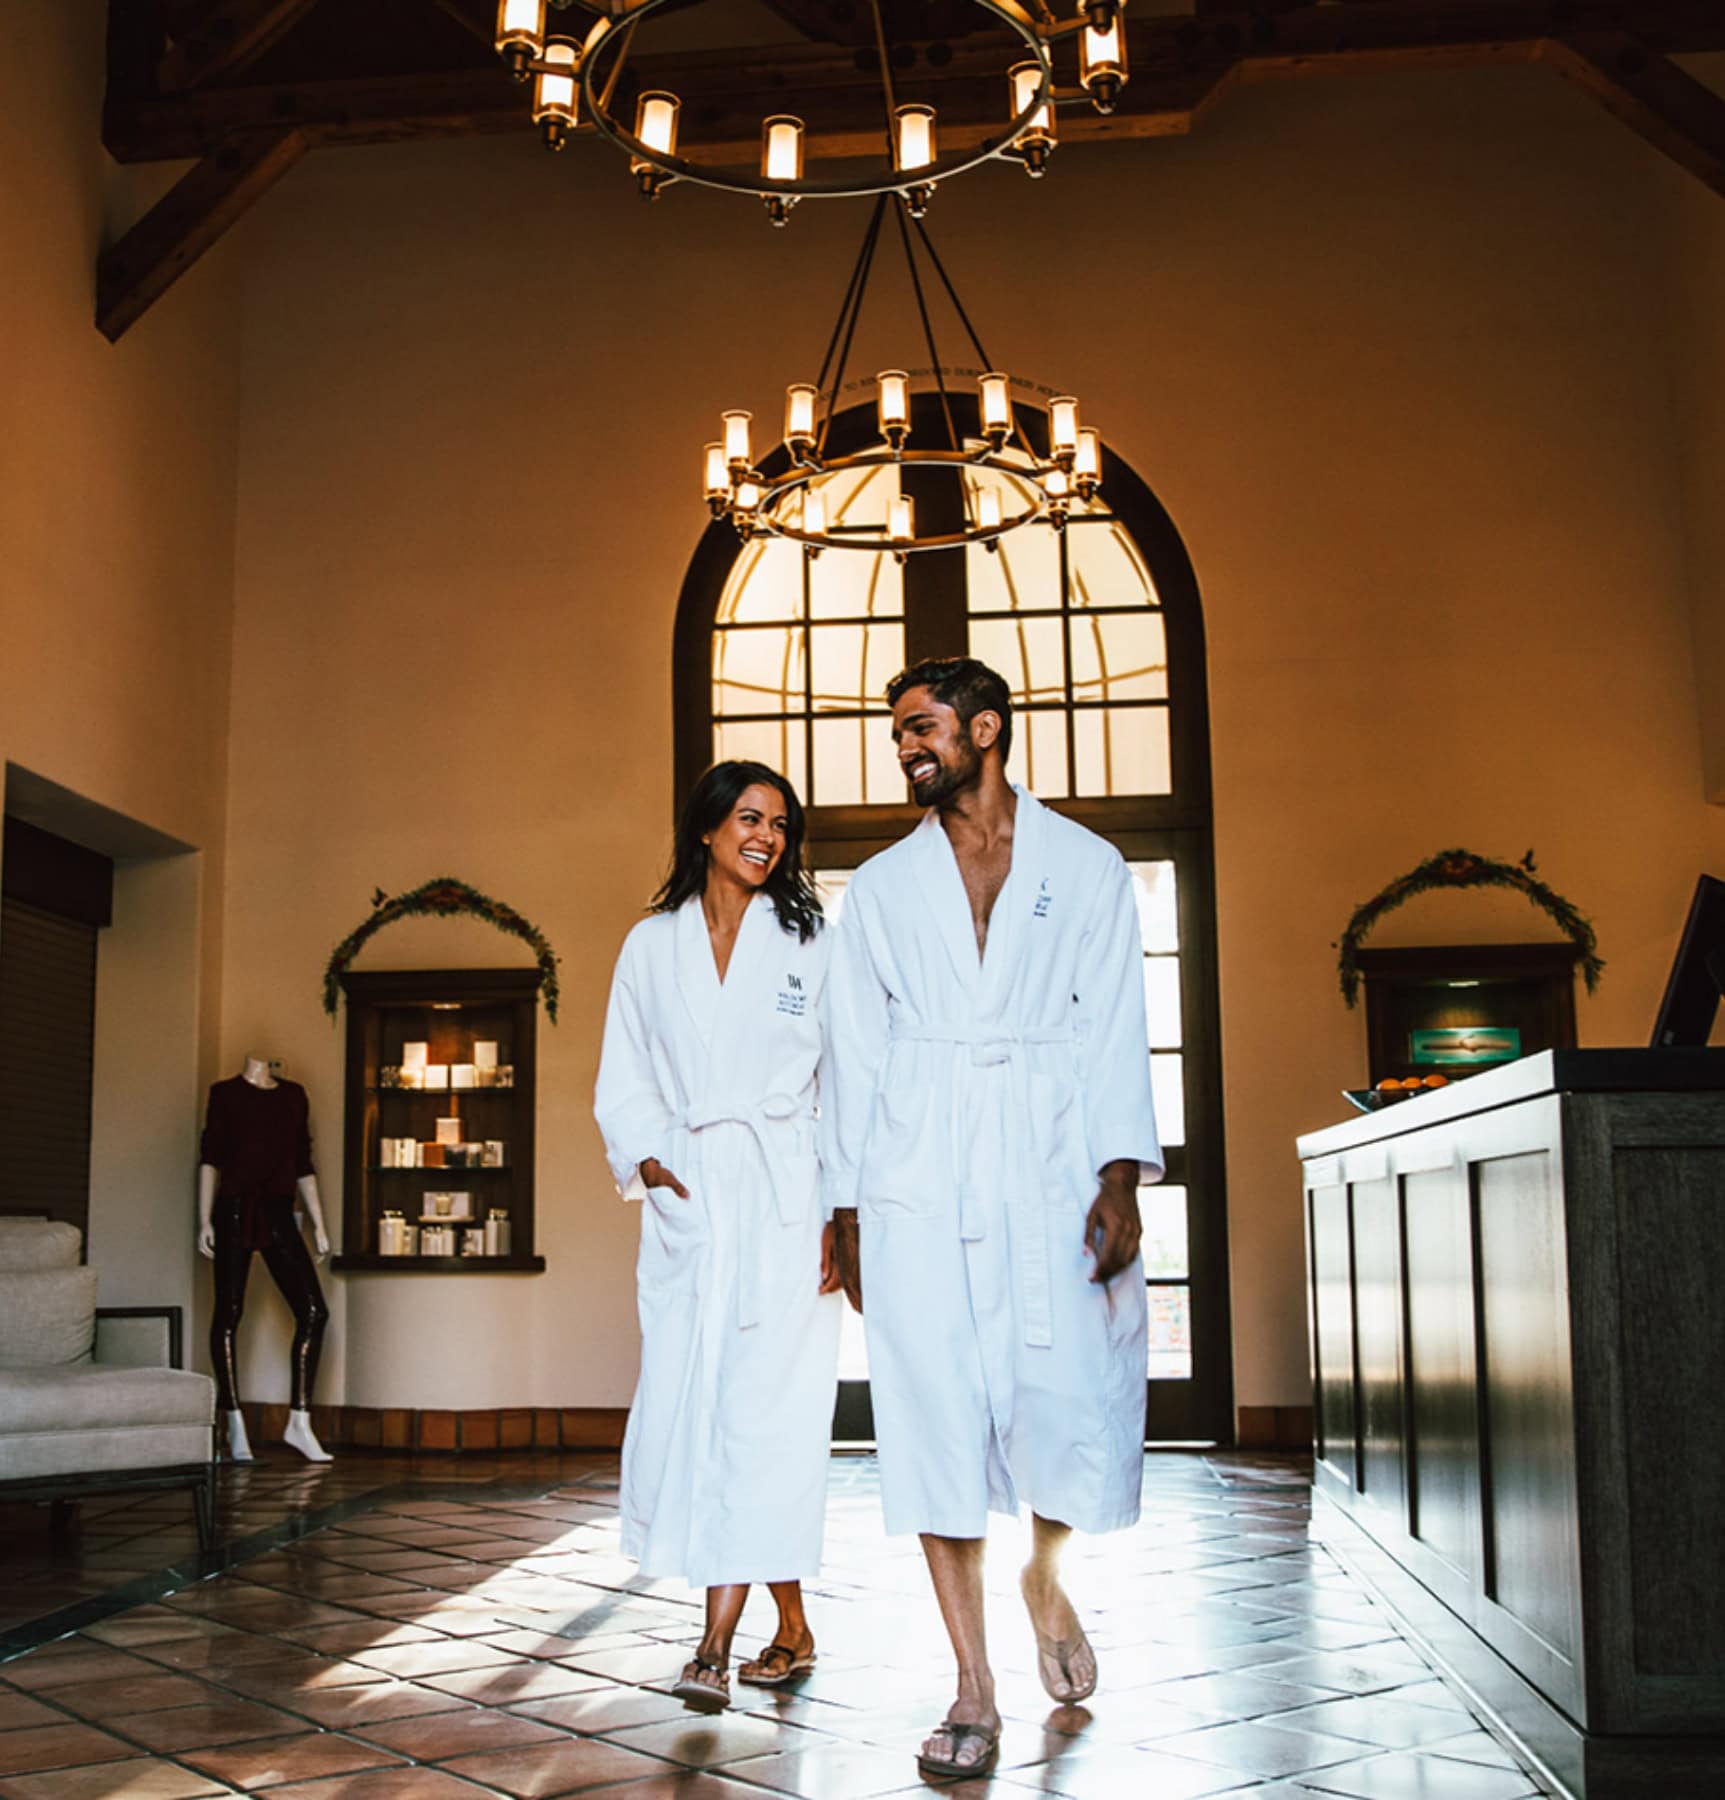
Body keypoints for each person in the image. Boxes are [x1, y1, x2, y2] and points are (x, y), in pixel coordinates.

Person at [822, 657, 1162, 1778]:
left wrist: (1117, 1176)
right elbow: (853, 1058)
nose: (905, 748)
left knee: (1061, 1400)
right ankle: (973, 1684)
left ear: (987, 729)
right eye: (897, 733)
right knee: (931, 1411)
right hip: (920, 1160)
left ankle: (1045, 1577)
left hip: (1049, 1151)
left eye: (922, 729)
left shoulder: (1088, 865)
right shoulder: (878, 890)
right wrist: (849, 1205)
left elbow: (1116, 1021)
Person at [595, 760, 842, 1712]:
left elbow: (844, 1079)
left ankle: (710, 1644)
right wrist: (655, 1167)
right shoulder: (650, 946)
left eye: (781, 823)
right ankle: (791, 1625)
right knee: (698, 1405)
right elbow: (626, 1075)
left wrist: (839, 1209)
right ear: (705, 828)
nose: (767, 836)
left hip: (787, 1199)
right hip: (695, 1196)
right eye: (749, 817)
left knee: (767, 1413)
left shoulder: (811, 940)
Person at [198, 1057, 334, 1464]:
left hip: (278, 1210)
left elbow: (302, 1164)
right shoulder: (224, 1094)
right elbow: (211, 1159)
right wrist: (203, 1219)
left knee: (314, 1312)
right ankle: (233, 1422)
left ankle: (299, 1421)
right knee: (229, 1312)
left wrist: (319, 1224)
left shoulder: (294, 1096)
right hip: (234, 1209)